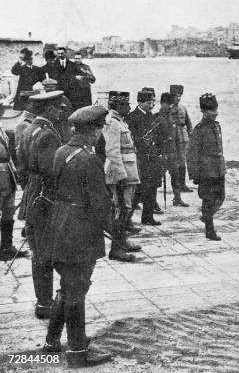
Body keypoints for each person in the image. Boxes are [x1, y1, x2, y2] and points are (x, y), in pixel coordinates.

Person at [43, 105, 112, 367]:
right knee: (76, 290)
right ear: (93, 131)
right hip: (80, 233)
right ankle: (77, 353)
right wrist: (111, 229)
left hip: (59, 227)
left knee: (68, 285)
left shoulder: (62, 151)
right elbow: (100, 204)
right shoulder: (89, 160)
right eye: (99, 128)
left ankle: (51, 343)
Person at [21, 91, 66, 318]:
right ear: (49, 109)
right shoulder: (47, 134)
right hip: (44, 199)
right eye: (58, 108)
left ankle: (43, 302)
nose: (60, 112)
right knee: (44, 253)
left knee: (38, 251)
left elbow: (21, 164)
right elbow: (51, 171)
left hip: (32, 194)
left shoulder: (29, 129)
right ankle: (45, 304)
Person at [103, 91, 141, 262]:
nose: (129, 107)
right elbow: (112, 150)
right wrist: (120, 175)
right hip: (121, 173)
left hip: (128, 170)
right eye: (126, 104)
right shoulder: (113, 123)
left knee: (125, 209)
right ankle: (116, 249)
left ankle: (122, 242)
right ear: (117, 106)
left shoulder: (119, 122)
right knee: (121, 210)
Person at [186, 93, 225, 241]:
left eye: (215, 110)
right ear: (204, 111)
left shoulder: (217, 126)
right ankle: (210, 230)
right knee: (208, 200)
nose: (214, 113)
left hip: (219, 169)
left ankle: (206, 216)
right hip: (207, 172)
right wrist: (195, 175)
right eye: (211, 111)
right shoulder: (199, 129)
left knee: (221, 198)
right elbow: (191, 154)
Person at [126, 90, 164, 225]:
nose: (152, 104)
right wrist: (142, 141)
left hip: (151, 158)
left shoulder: (150, 116)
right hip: (139, 158)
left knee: (152, 187)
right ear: (140, 102)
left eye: (153, 101)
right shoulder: (132, 117)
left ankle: (148, 217)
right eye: (149, 102)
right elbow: (131, 138)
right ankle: (126, 221)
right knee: (138, 190)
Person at [0, 100, 29, 261]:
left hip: (6, 172)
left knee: (8, 210)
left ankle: (7, 246)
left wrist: (15, 172)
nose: (2, 111)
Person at [157, 92, 189, 208]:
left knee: (175, 175)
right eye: (167, 104)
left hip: (172, 152)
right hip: (161, 153)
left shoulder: (170, 118)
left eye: (171, 104)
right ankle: (150, 202)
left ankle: (177, 198)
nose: (170, 106)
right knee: (156, 178)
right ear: (161, 103)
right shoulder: (157, 118)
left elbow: (174, 136)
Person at [169, 85, 193, 193]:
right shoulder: (168, 108)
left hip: (183, 136)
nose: (178, 98)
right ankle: (176, 186)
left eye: (179, 96)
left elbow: (188, 122)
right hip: (173, 137)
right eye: (176, 96)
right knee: (174, 162)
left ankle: (183, 184)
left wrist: (190, 134)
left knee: (183, 161)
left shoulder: (183, 108)